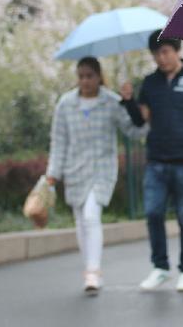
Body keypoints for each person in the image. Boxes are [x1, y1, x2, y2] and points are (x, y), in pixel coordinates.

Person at [46, 57, 148, 295]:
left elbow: (135, 131)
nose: (85, 81)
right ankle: (89, 269)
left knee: (92, 216)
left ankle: (93, 270)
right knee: (81, 221)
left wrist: (130, 103)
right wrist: (53, 174)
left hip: (102, 170)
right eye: (81, 76)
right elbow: (59, 142)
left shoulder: (111, 102)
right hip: (75, 170)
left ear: (99, 76)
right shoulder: (65, 104)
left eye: (89, 76)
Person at [121, 31, 183, 292]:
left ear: (177, 50)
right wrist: (128, 102)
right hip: (156, 160)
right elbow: (141, 120)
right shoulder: (149, 83)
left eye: (166, 52)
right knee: (153, 212)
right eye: (156, 54)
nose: (161, 58)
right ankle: (160, 267)